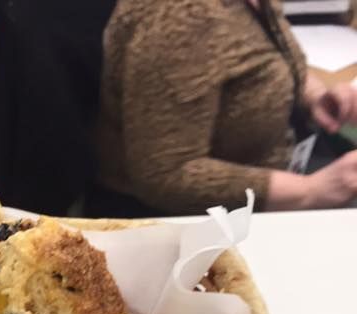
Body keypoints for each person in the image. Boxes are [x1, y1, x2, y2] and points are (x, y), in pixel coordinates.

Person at [88, 0, 357, 216]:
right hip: (184, 224)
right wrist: (310, 191)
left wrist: (315, 96)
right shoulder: (180, 17)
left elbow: (267, 59)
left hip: (271, 178)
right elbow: (166, 175)